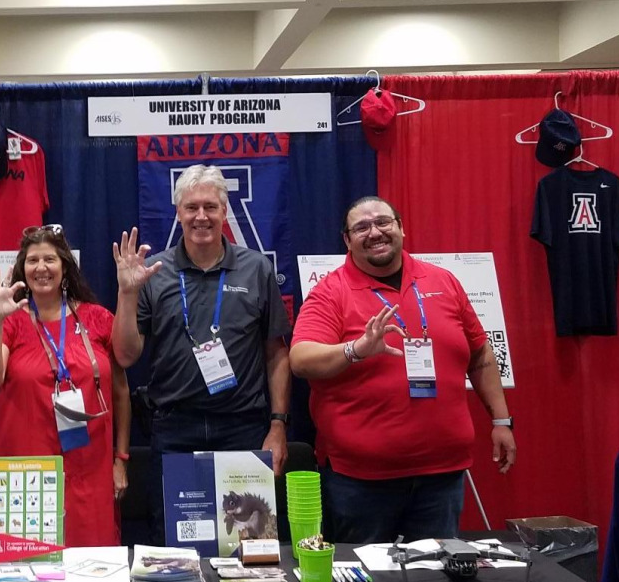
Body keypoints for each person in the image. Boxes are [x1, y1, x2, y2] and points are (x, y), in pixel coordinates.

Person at [290, 197, 516, 542]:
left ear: (401, 228)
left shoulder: (444, 281)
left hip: (442, 476)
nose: (375, 232)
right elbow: (301, 359)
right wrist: (355, 350)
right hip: (362, 482)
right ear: (347, 241)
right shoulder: (330, 292)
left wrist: (501, 420)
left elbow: (480, 352)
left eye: (383, 222)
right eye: (361, 227)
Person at [112, 164, 291, 535]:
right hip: (175, 429)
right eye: (191, 207)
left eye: (210, 206)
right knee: (179, 544)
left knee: (248, 544)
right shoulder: (153, 273)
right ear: (178, 212)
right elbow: (127, 356)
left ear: (225, 211)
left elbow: (277, 353)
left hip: (243, 428)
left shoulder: (256, 269)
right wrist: (127, 294)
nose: (201, 216)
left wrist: (278, 426)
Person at [0, 224, 129, 546]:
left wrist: (121, 458)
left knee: (91, 573)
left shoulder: (96, 318)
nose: (41, 268)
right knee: (24, 573)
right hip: (24, 473)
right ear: (23, 268)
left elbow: (120, 392)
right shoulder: (12, 320)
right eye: (33, 260)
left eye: (50, 259)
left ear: (64, 267)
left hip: (88, 471)